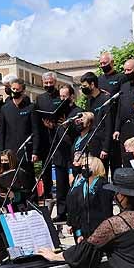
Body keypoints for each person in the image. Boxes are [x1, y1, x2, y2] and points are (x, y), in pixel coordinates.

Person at [50, 84, 82, 222]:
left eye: (65, 96)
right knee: (61, 186)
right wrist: (51, 127)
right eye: (61, 96)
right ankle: (61, 212)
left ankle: (75, 212)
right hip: (59, 153)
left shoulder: (78, 111)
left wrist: (68, 125)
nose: (62, 99)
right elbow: (55, 134)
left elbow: (80, 132)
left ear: (72, 97)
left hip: (73, 152)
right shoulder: (57, 112)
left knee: (74, 184)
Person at [66, 155, 113, 243]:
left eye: (87, 166)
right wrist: (78, 233)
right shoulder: (82, 185)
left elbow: (106, 211)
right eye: (83, 166)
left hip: (99, 232)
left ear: (96, 167)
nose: (83, 168)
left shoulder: (103, 185)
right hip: (83, 233)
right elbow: (76, 209)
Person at [32, 72, 61, 199]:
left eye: (51, 82)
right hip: (44, 138)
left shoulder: (60, 97)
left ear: (55, 83)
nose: (48, 85)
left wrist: (54, 125)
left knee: (60, 167)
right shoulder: (39, 98)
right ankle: (47, 194)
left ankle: (61, 195)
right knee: (45, 168)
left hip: (59, 136)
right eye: (46, 83)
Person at [112, 58, 134, 165]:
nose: (126, 73)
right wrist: (117, 129)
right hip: (125, 128)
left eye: (129, 70)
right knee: (126, 159)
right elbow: (120, 109)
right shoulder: (124, 86)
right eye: (124, 70)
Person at [78, 72, 112, 161]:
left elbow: (109, 125)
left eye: (85, 86)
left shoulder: (105, 100)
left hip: (102, 143)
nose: (83, 89)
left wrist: (105, 148)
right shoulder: (89, 101)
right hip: (92, 142)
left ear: (92, 84)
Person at [0, 77, 34, 159]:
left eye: (18, 89)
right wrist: (1, 151)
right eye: (13, 89)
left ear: (23, 91)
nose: (15, 91)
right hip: (9, 149)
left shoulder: (30, 107)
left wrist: (35, 151)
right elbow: (2, 132)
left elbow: (35, 130)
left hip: (25, 149)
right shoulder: (4, 108)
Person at [70, 112, 103, 179]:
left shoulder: (93, 138)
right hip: (76, 174)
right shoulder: (77, 138)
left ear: (89, 123)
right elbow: (71, 157)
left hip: (87, 174)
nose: (79, 121)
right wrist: (70, 173)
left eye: (83, 119)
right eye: (79, 118)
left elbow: (94, 158)